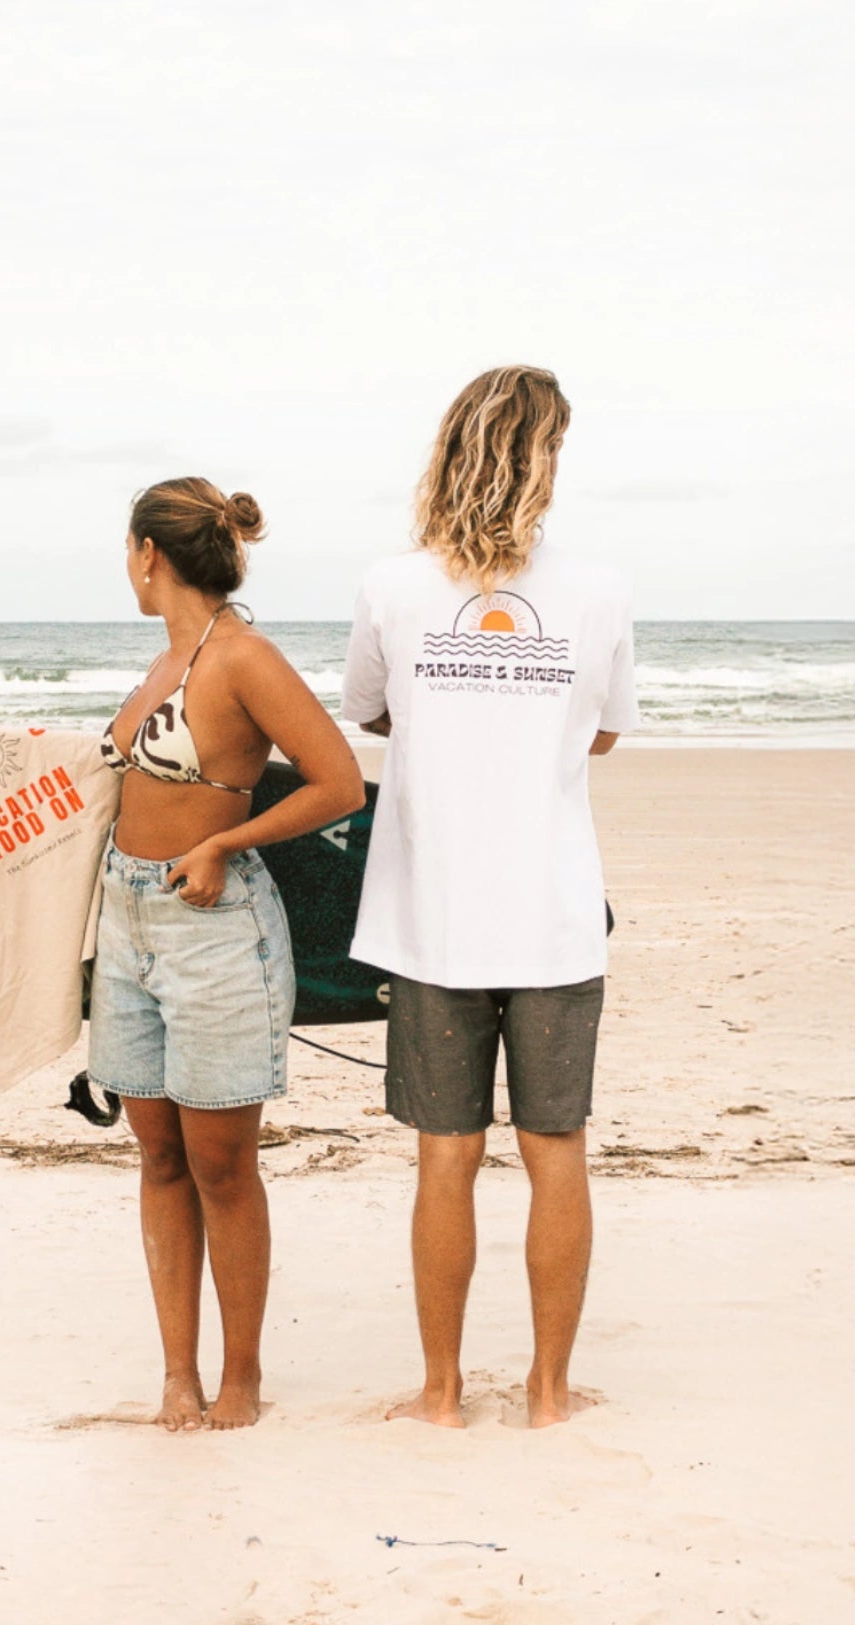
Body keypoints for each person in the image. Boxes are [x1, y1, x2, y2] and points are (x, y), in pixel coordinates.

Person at [341, 366, 640, 1429]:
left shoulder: (392, 585)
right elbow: (603, 729)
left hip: (437, 918)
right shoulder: (599, 589)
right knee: (556, 1153)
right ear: (543, 460)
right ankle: (550, 1396)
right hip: (554, 916)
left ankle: (442, 1393)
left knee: (446, 1156)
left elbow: (372, 711)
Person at [90, 477, 364, 1432]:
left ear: (148, 553)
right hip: (126, 926)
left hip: (214, 931)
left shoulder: (243, 656)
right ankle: (178, 1375)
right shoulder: (160, 665)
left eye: (125, 551)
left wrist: (223, 843)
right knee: (157, 1156)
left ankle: (240, 1375)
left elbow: (339, 784)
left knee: (220, 1163)